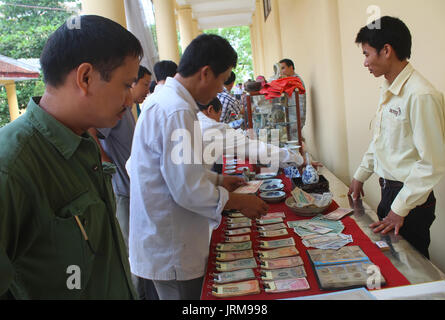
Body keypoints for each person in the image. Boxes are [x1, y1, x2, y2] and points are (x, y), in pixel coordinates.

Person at [0, 15, 143, 299]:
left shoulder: (84, 144)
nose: (130, 101)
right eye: (126, 85)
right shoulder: (12, 165)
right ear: (86, 77)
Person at [126, 34, 269, 300]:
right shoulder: (176, 110)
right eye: (221, 80)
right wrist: (238, 201)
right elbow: (186, 189)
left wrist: (217, 180)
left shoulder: (167, 102)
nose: (220, 91)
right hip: (172, 247)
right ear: (205, 73)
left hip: (165, 239)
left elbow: (172, 170)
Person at [348, 16, 445, 259]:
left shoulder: (420, 95)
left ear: (387, 51)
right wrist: (361, 174)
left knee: (412, 267)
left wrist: (399, 210)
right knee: (392, 262)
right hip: (390, 191)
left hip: (410, 200)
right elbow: (381, 139)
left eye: (367, 54)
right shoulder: (389, 87)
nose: (365, 63)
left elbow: (431, 163)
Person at [87, 65, 157, 300]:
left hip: (133, 187)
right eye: (143, 84)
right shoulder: (116, 110)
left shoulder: (129, 109)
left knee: (141, 246)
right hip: (122, 189)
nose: (147, 90)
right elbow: (91, 130)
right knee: (131, 249)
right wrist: (106, 164)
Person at [198, 97, 305, 171]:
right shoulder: (212, 127)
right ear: (210, 109)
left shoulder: (192, 118)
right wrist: (297, 159)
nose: (219, 120)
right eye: (219, 115)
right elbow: (257, 149)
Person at [279, 58, 307, 129]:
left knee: (295, 138)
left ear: (291, 67)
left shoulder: (296, 80)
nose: (281, 71)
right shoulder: (289, 80)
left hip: (296, 117)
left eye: (283, 68)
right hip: (291, 116)